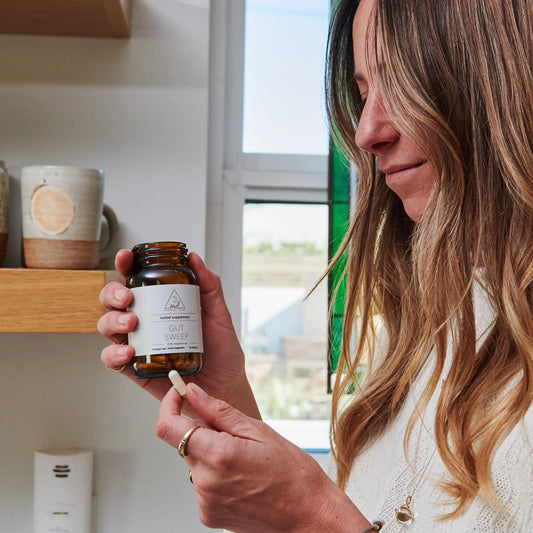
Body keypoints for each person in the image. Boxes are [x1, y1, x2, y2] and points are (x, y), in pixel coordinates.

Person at [98, 0, 533, 530]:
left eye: (402, 82)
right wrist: (222, 396)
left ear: (498, 80)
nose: (366, 132)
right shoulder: (429, 331)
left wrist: (311, 514)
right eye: (364, 94)